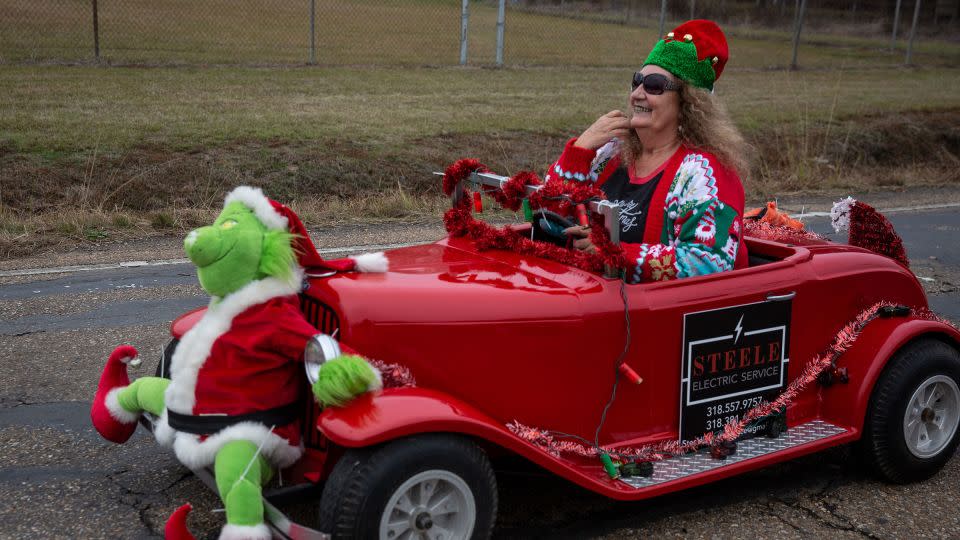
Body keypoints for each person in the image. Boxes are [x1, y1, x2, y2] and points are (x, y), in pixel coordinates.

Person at [546, 20, 750, 283]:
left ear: (688, 102)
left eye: (654, 85)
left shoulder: (706, 173)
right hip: (590, 297)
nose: (637, 94)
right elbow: (548, 219)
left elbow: (708, 262)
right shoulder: (611, 152)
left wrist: (614, 254)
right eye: (637, 82)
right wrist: (580, 151)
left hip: (661, 315)